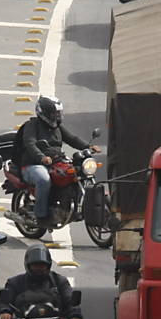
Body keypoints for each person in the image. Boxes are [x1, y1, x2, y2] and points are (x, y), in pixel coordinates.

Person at [20, 96, 101, 229]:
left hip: (55, 162)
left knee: (74, 174)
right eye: (54, 113)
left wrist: (88, 147)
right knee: (44, 179)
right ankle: (41, 216)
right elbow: (30, 144)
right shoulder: (32, 126)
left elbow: (72, 139)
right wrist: (41, 157)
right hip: (33, 164)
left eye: (58, 113)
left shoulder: (57, 127)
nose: (57, 116)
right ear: (44, 113)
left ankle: (66, 207)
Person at [0, 244, 82, 319]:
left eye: (42, 265)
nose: (39, 268)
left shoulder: (59, 282)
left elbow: (70, 300)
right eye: (35, 265)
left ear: (48, 265)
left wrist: (75, 316)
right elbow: (6, 301)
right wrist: (5, 311)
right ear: (28, 265)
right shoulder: (15, 283)